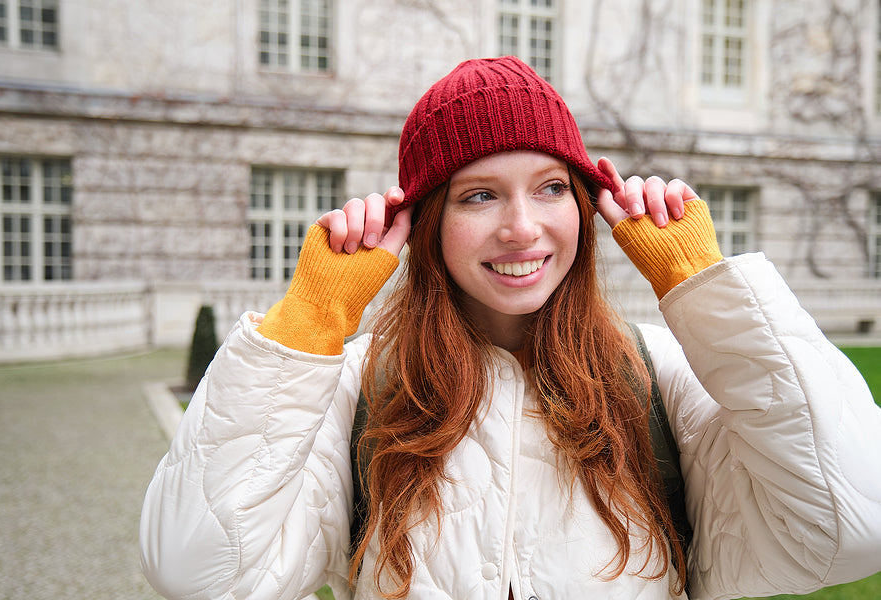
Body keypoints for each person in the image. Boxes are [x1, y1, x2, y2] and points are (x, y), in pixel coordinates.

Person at [139, 57, 881, 600]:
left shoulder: (660, 374)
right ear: (428, 224)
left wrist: (703, 287)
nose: (522, 229)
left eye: (552, 188)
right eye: (479, 195)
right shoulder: (355, 386)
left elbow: (854, 525)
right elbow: (202, 572)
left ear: (586, 208)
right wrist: (308, 321)